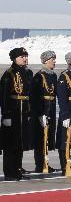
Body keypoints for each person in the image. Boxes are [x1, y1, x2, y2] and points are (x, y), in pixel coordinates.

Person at [2, 47, 33, 180]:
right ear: (15, 59)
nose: (25, 58)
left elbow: (30, 94)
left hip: (23, 112)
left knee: (20, 143)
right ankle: (9, 172)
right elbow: (3, 96)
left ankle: (17, 169)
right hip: (13, 112)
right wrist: (6, 114)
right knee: (10, 144)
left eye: (26, 56)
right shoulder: (9, 74)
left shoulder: (28, 73)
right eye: (22, 56)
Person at [31, 51, 58, 173]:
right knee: (40, 138)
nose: (54, 61)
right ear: (45, 61)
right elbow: (35, 97)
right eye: (52, 59)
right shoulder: (39, 76)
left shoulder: (53, 76)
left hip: (51, 109)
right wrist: (40, 113)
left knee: (48, 138)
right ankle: (39, 164)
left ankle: (46, 163)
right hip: (42, 110)